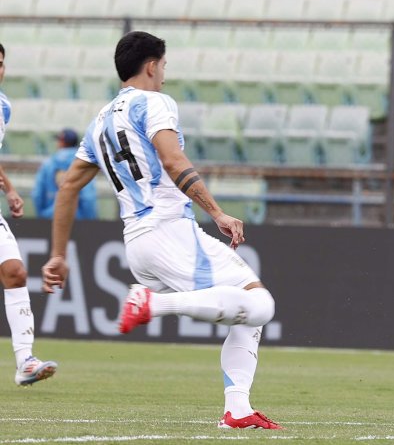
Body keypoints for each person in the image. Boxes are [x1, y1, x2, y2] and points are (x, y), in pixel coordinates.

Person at [40, 32, 282, 429]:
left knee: (249, 306)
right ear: (151, 65)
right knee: (263, 306)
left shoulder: (99, 121)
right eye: (164, 65)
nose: (164, 74)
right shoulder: (154, 102)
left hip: (137, 241)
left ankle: (238, 409)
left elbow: (68, 186)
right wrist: (217, 211)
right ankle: (151, 304)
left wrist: (58, 256)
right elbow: (172, 159)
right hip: (169, 231)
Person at [0, 42, 59, 387]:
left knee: (15, 271)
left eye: (1, 63)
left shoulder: (3, 107)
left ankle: (25, 361)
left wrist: (9, 189)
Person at [32, 128, 98, 221]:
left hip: (50, 218)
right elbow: (88, 197)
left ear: (62, 142)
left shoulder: (48, 163)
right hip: (78, 221)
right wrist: (89, 221)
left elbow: (37, 195)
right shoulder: (83, 163)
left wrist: (42, 216)